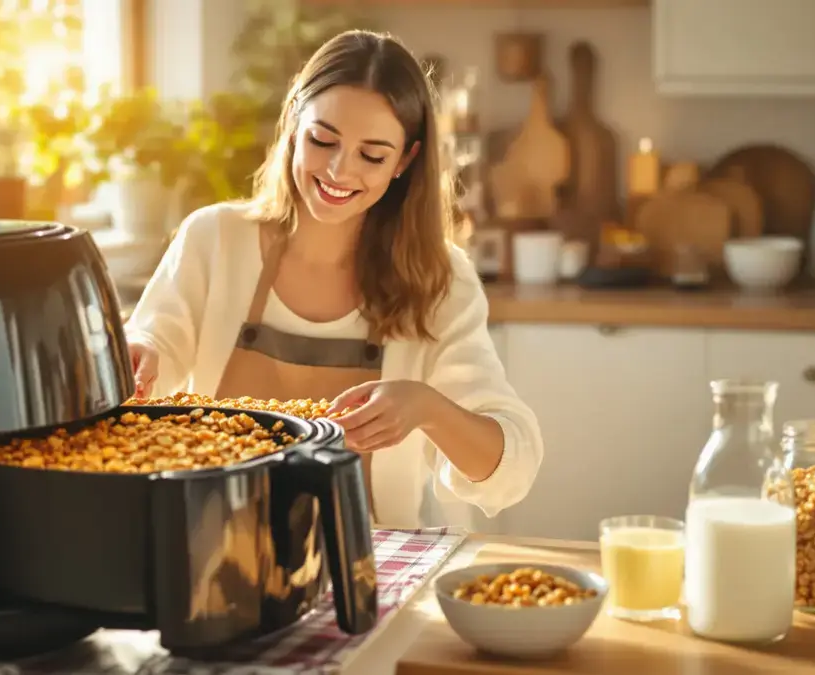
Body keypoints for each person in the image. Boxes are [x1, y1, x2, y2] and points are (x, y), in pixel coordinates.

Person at [124, 29, 543, 529]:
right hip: (213, 538)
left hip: (369, 551)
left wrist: (426, 407)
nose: (340, 171)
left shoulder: (440, 281)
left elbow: (511, 470)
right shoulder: (214, 238)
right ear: (293, 124)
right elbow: (153, 351)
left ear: (405, 161)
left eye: (372, 155)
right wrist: (138, 353)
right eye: (323, 140)